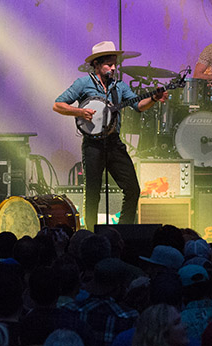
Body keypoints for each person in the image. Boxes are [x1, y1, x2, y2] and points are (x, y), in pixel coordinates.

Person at [54, 40, 168, 225]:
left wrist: (154, 98)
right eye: (109, 64)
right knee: (92, 193)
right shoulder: (83, 83)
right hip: (93, 146)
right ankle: (90, 233)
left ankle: (124, 230)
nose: (114, 68)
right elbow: (58, 104)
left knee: (133, 189)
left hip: (114, 143)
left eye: (115, 64)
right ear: (97, 64)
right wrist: (79, 112)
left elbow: (138, 105)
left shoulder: (120, 86)